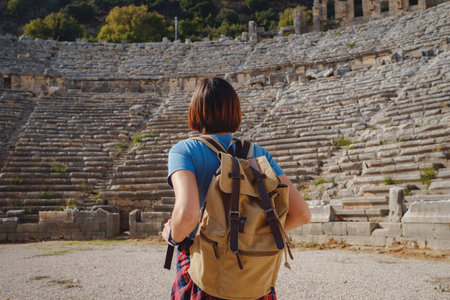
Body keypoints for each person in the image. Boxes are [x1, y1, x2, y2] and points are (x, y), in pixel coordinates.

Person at [162, 77, 311, 300]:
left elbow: (187, 215)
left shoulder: (184, 151)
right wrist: (254, 238)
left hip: (203, 270)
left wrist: (172, 235)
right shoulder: (258, 154)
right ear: (235, 111)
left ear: (196, 110)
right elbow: (302, 214)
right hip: (253, 278)